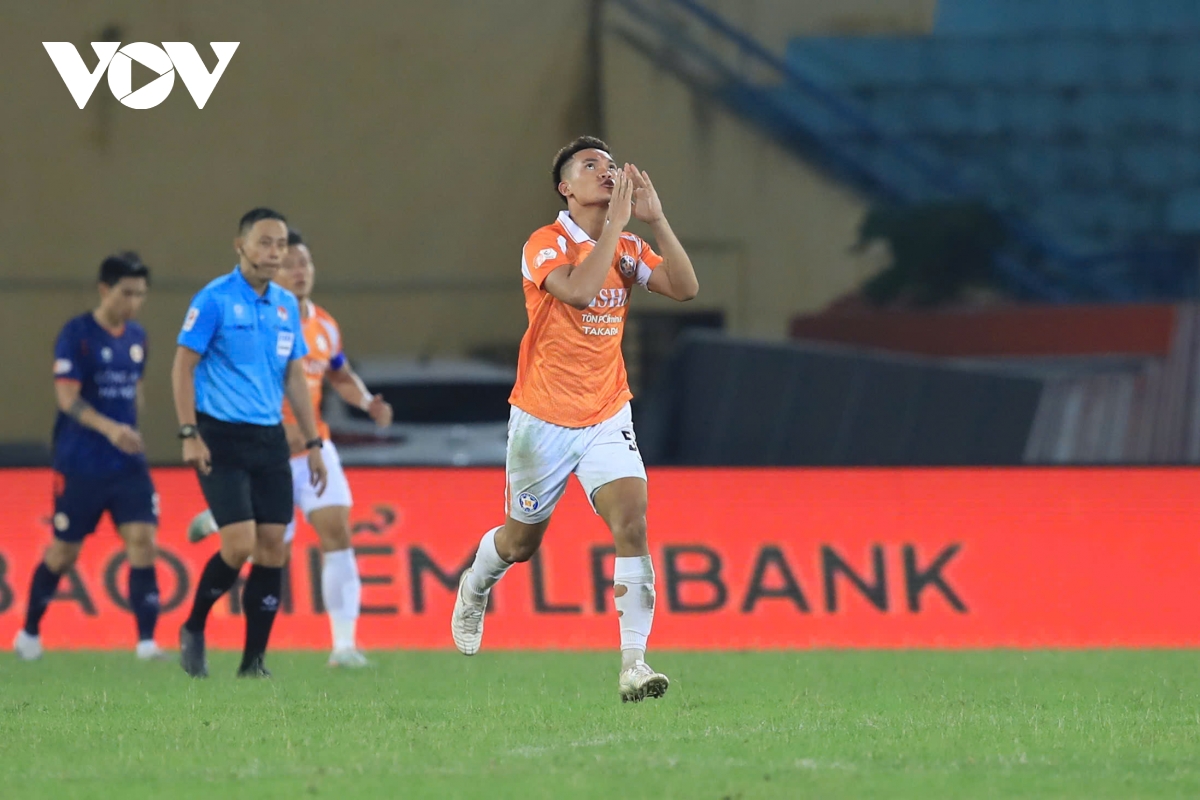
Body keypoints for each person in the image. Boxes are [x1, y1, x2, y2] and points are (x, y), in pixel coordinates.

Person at [451, 136, 700, 702]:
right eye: (591, 166)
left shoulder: (630, 243)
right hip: (542, 418)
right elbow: (582, 293)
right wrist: (616, 228)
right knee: (520, 544)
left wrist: (657, 221)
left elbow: (686, 289)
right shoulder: (545, 243)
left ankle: (634, 665)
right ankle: (476, 585)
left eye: (611, 165)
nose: (606, 172)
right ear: (565, 187)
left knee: (632, 521)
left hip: (606, 409)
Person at [186, 228, 393, 667]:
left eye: (305, 263)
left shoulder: (325, 325)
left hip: (314, 447)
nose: (299, 271)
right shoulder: (259, 321)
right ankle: (227, 518)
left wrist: (366, 401)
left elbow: (339, 374)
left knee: (337, 531)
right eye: (290, 264)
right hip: (265, 451)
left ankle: (343, 647)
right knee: (265, 549)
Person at [173, 207, 327, 679]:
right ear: (240, 246)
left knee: (273, 547)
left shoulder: (284, 305)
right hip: (220, 435)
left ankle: (252, 663)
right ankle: (194, 625)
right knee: (238, 544)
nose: (275, 252)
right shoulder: (214, 299)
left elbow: (294, 376)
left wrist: (314, 442)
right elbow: (183, 367)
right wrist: (188, 433)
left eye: (280, 244)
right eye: (265, 242)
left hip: (269, 438)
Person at [14, 252, 166, 662]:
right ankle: (29, 634)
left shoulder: (137, 337)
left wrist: (130, 429)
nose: (133, 303)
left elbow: (134, 389)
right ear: (104, 289)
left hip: (127, 464)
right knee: (65, 551)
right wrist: (112, 429)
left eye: (140, 295)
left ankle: (147, 643)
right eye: (126, 293)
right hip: (81, 461)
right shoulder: (77, 335)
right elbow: (67, 398)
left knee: (143, 539)